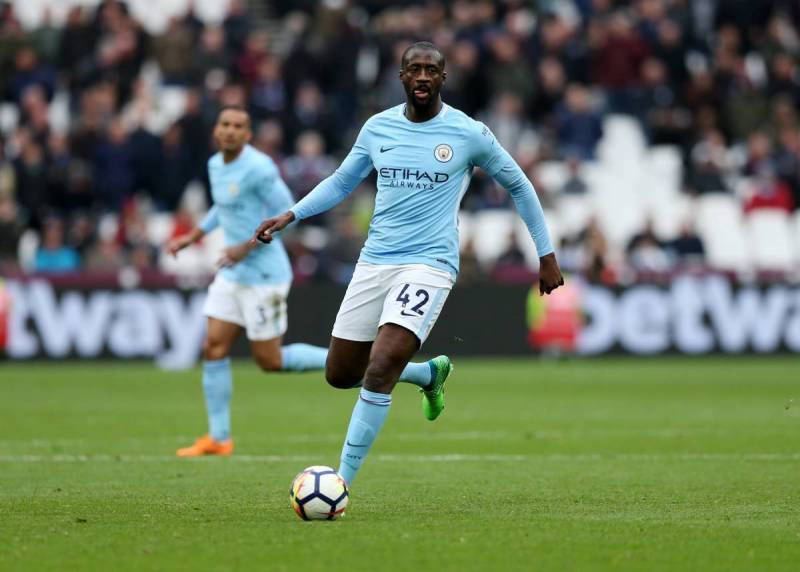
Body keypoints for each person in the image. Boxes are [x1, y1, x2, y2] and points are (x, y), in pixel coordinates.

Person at [253, 42, 563, 488]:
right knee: (340, 374)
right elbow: (342, 181)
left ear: (443, 78)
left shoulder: (468, 132)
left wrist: (546, 253)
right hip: (375, 260)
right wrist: (292, 214)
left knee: (380, 368)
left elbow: (519, 184)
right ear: (400, 77)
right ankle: (426, 373)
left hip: (430, 263)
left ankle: (341, 482)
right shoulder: (378, 128)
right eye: (413, 69)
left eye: (430, 70)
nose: (422, 77)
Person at [166, 106, 332, 457]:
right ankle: (219, 437)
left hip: (264, 276)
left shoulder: (259, 169)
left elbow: (290, 215)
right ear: (216, 130)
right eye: (224, 124)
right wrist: (193, 235)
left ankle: (347, 362)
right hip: (233, 273)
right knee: (214, 347)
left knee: (269, 361)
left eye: (237, 126)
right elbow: (223, 207)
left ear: (248, 135)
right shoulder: (215, 165)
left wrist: (246, 246)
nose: (229, 131)